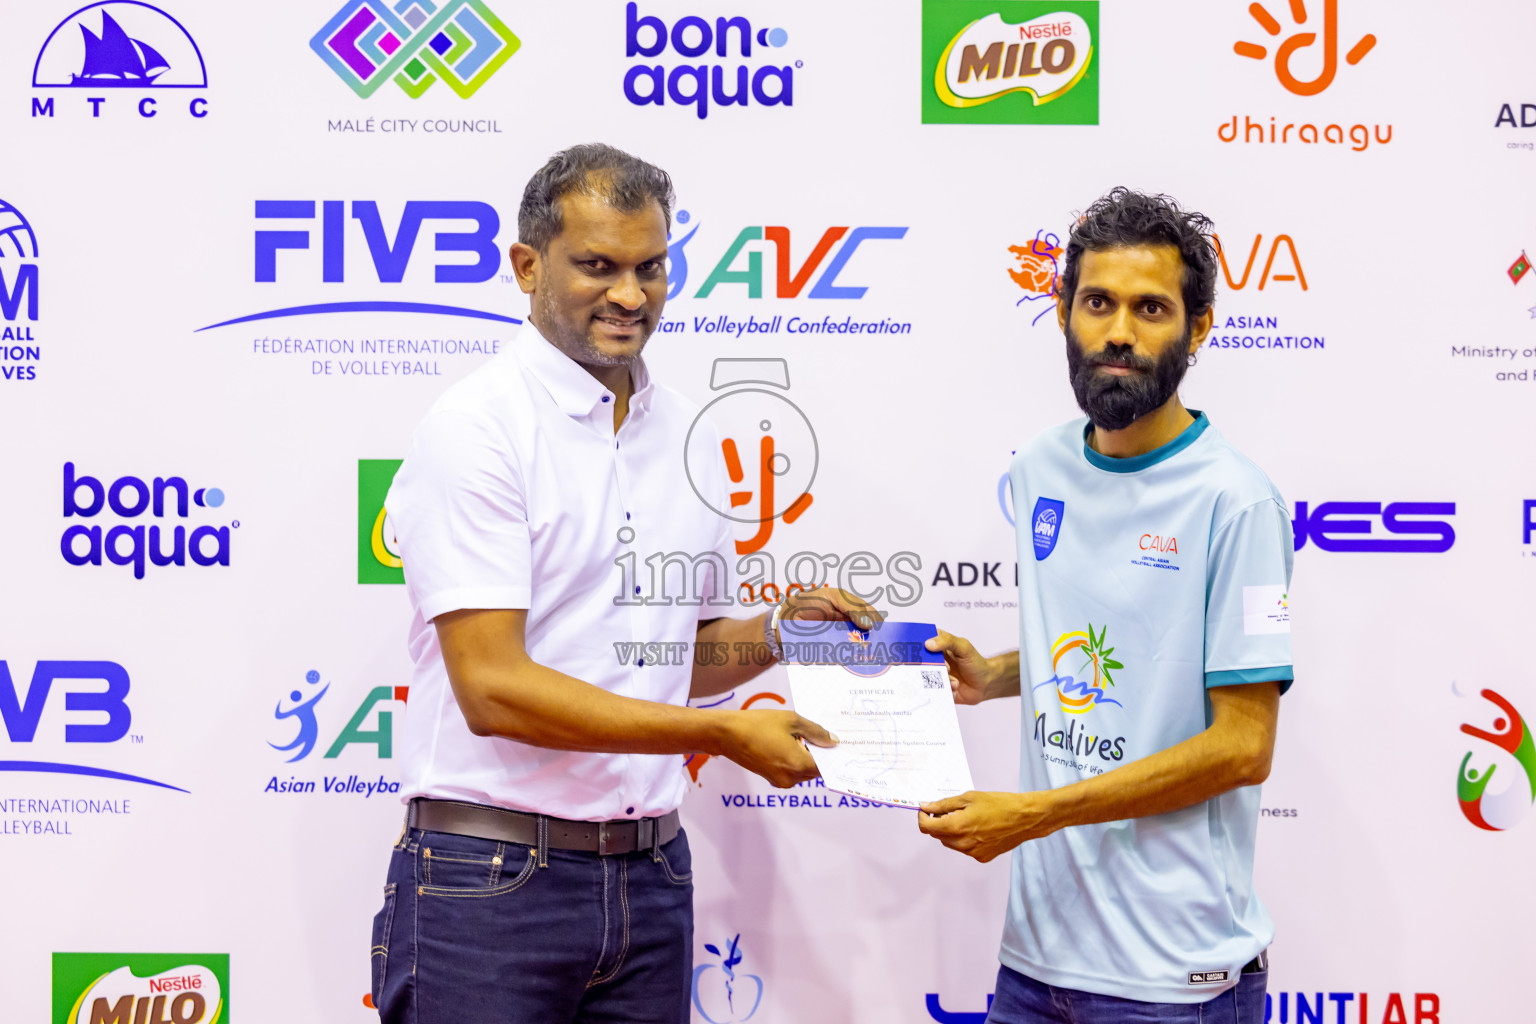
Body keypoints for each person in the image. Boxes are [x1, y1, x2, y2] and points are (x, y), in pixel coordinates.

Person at [369, 143, 877, 1024]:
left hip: (652, 878)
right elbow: (493, 688)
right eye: (597, 266)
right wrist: (715, 734)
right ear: (527, 266)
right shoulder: (476, 430)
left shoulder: (687, 432)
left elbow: (671, 656)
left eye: (650, 267)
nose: (631, 296)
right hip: (488, 887)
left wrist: (780, 633)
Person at [919, 187, 1293, 1023]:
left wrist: (1035, 816)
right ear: (1063, 312)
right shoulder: (1043, 468)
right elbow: (1126, 650)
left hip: (1171, 983)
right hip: (1034, 964)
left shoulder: (1239, 502)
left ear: (1198, 329)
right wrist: (994, 674)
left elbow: (1242, 746)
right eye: (1098, 303)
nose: (1119, 331)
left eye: (1151, 308)